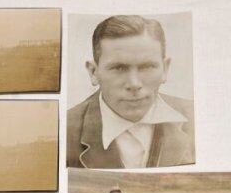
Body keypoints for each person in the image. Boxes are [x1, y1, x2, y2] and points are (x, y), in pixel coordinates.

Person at [67, 15, 195, 169]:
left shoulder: (196, 117)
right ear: (94, 72)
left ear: (165, 69)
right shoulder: (65, 131)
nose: (134, 84)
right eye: (118, 68)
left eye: (147, 67)